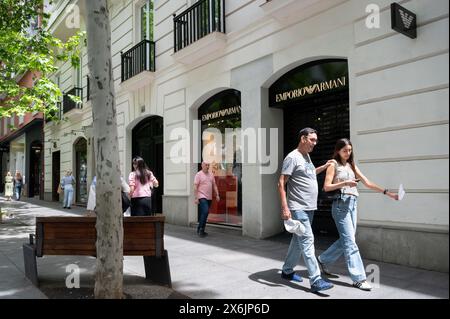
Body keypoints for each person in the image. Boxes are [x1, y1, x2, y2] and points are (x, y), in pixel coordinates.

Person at [318, 138, 399, 291]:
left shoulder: (351, 165)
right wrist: (345, 183)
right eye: (344, 150)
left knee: (348, 239)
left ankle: (324, 259)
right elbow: (326, 187)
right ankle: (359, 278)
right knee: (350, 243)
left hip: (353, 205)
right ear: (338, 151)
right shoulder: (333, 165)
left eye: (350, 150)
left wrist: (388, 193)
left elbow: (367, 182)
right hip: (340, 205)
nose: (348, 153)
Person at [278, 127, 334, 293]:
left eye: (316, 140)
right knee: (308, 241)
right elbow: (281, 182)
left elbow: (308, 174)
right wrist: (285, 207)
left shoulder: (306, 157)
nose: (314, 143)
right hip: (298, 207)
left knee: (298, 241)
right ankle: (316, 280)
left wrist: (324, 166)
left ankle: (287, 271)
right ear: (303, 138)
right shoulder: (292, 157)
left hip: (309, 207)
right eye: (312, 140)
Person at [194, 161, 220, 237]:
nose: (207, 166)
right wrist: (196, 198)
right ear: (202, 165)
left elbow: (214, 185)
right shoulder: (198, 174)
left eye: (208, 165)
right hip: (201, 196)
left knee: (205, 213)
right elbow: (195, 187)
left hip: (209, 197)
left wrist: (217, 194)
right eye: (206, 165)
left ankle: (200, 229)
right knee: (205, 211)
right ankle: (201, 229)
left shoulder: (211, 175)